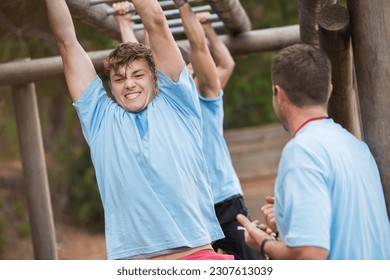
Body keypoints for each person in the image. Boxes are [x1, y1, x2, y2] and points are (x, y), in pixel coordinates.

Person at [45, 0, 232, 260]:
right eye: (119, 79)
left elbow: (155, 20)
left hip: (193, 255)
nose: (129, 84)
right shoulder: (100, 118)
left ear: (155, 79)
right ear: (110, 86)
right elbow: (67, 42)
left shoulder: (178, 104)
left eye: (138, 75)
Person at [237, 43, 390, 260]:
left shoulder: (302, 151)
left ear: (278, 94)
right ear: (328, 89)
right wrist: (286, 225)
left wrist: (263, 243)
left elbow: (310, 254)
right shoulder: (358, 147)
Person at [172, 1, 261, 260]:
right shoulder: (165, 110)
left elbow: (211, 55)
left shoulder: (205, 95)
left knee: (251, 262)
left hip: (224, 199)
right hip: (192, 207)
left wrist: (188, 11)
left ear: (192, 70)